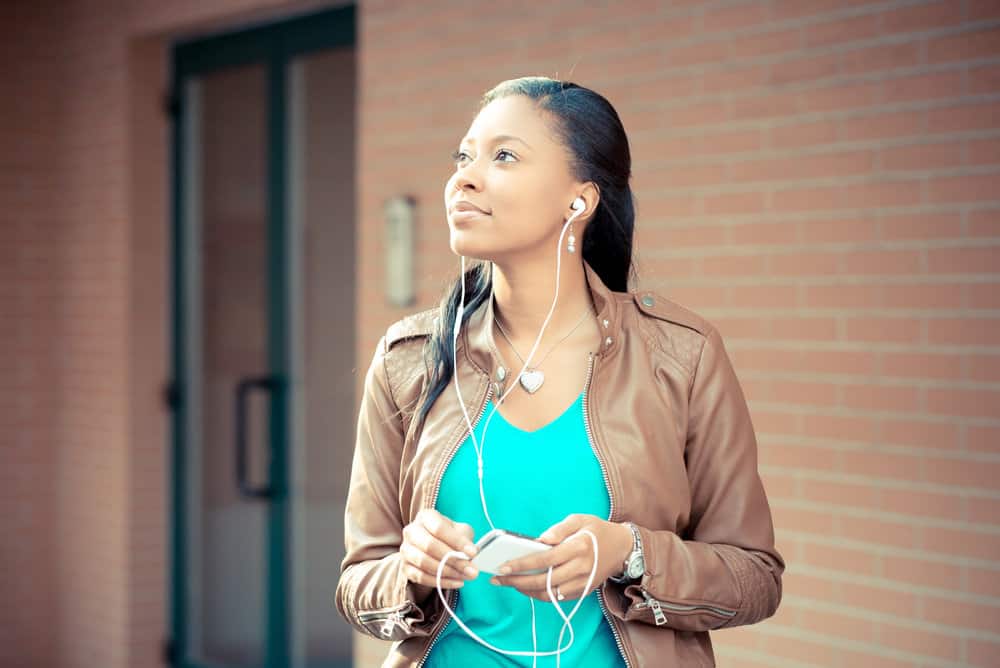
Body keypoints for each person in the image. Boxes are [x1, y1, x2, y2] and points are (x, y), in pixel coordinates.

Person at [335, 76, 784, 667]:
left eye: (504, 156)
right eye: (464, 156)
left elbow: (754, 578)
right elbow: (357, 584)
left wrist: (630, 552)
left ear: (580, 199)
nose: (463, 177)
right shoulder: (408, 359)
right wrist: (408, 570)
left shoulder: (683, 355)